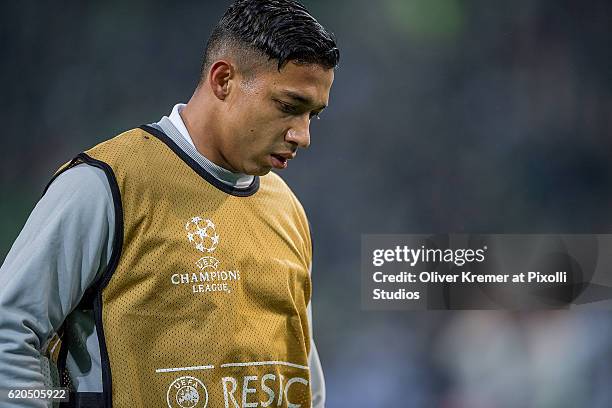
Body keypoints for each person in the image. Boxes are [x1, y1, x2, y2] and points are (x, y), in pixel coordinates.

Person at [0, 0, 339, 406]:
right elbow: (9, 332)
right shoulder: (105, 184)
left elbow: (301, 373)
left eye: (313, 116)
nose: (303, 136)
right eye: (288, 107)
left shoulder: (287, 209)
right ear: (223, 80)